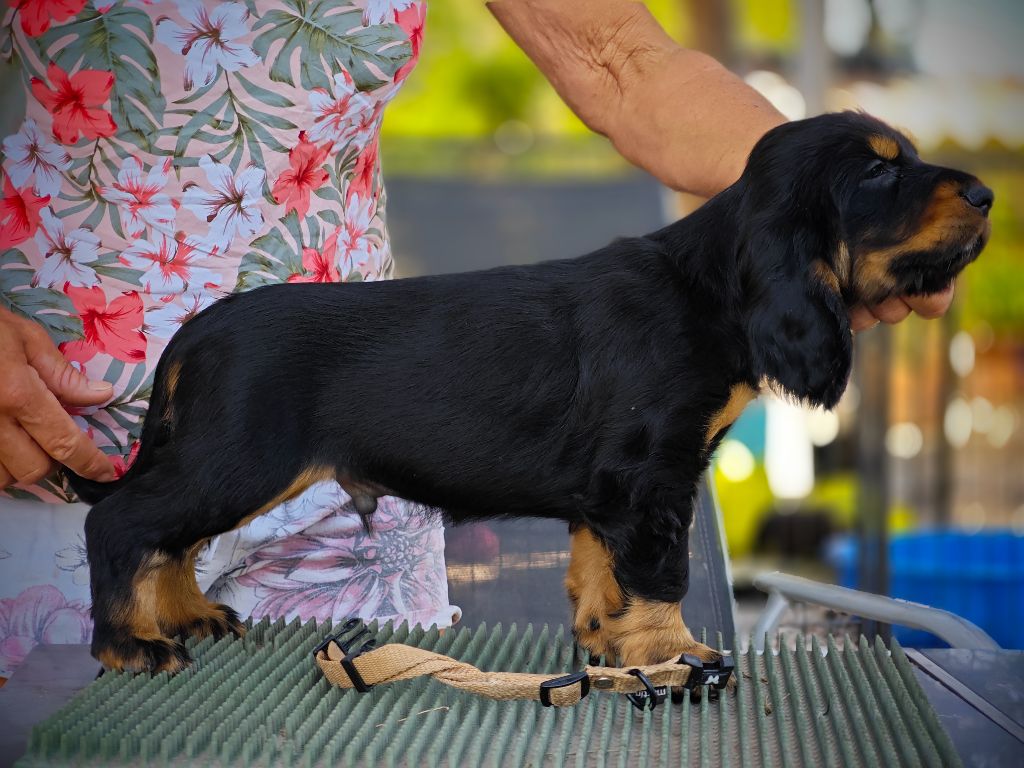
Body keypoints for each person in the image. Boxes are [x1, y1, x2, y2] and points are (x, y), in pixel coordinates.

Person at [0, 0, 953, 680]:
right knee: (197, 495)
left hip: (343, 357)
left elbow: (624, 55)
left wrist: (812, 186)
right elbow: (640, 481)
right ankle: (133, 594)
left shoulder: (685, 311)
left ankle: (172, 584)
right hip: (61, 381)